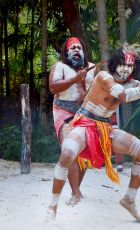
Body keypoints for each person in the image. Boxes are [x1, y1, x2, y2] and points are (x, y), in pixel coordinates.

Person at [47, 44, 140, 222]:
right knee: (68, 151)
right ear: (115, 63)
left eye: (130, 65)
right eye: (123, 64)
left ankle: (129, 199)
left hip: (104, 128)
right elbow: (123, 95)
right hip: (84, 124)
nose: (126, 68)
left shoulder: (132, 83)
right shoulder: (104, 76)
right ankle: (52, 207)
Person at [48, 37, 96, 206]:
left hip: (85, 114)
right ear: (66, 52)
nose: (76, 50)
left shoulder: (92, 68)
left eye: (79, 48)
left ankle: (77, 191)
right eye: (72, 48)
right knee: (70, 149)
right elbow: (53, 87)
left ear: (83, 52)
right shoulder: (59, 67)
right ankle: (76, 194)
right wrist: (75, 79)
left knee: (84, 153)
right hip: (63, 112)